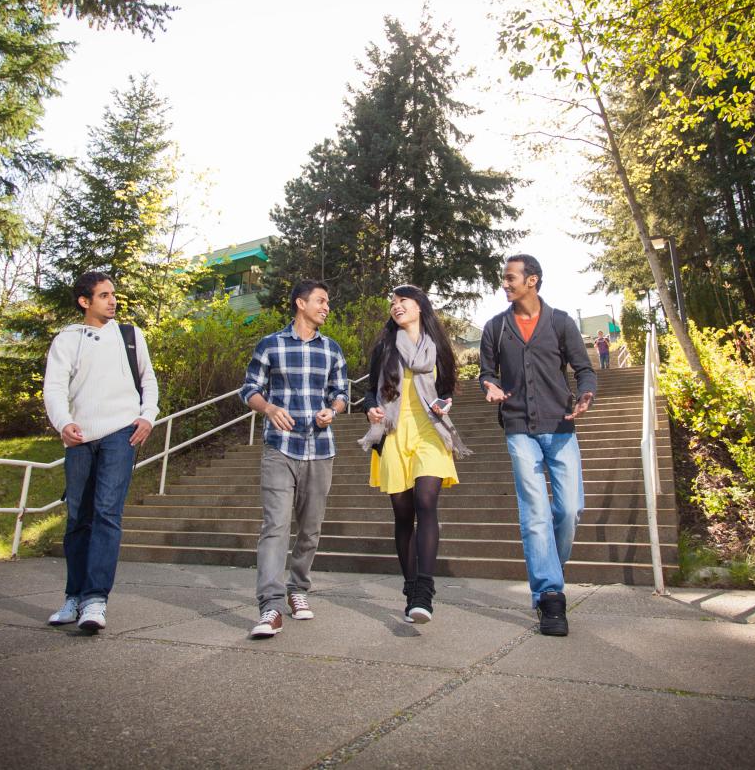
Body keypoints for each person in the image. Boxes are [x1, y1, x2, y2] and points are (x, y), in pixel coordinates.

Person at [479, 254, 597, 637]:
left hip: (561, 427)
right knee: (535, 514)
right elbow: (486, 371)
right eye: (504, 278)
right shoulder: (495, 328)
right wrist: (489, 385)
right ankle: (550, 595)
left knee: (569, 510)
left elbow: (584, 369)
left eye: (511, 277)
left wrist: (586, 395)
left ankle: (550, 568)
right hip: (518, 428)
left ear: (532, 280)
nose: (505, 283)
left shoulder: (561, 322)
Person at [43, 272, 158, 632]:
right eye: (104, 295)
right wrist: (63, 423)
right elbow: (55, 388)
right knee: (78, 518)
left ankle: (95, 600)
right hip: (79, 438)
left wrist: (147, 417)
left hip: (121, 434)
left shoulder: (130, 335)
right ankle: (73, 597)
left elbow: (149, 381)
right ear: (84, 301)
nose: (113, 301)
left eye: (114, 295)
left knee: (107, 514)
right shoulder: (67, 339)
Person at [240, 280, 350, 638]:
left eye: (327, 302)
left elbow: (341, 393)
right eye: (321, 300)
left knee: (310, 529)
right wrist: (269, 408)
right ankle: (270, 606)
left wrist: (332, 410)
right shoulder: (270, 345)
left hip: (320, 449)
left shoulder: (332, 349)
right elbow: (250, 390)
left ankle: (298, 589)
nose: (326, 307)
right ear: (300, 304)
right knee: (274, 526)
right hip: (279, 448)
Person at [358, 285, 471, 623]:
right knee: (403, 514)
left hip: (430, 432)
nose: (396, 306)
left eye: (402, 300)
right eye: (392, 302)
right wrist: (371, 410)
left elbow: (448, 386)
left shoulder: (438, 346)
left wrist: (446, 400)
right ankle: (410, 586)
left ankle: (424, 589)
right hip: (393, 432)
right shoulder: (384, 347)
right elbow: (368, 392)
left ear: (420, 305)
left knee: (426, 502)